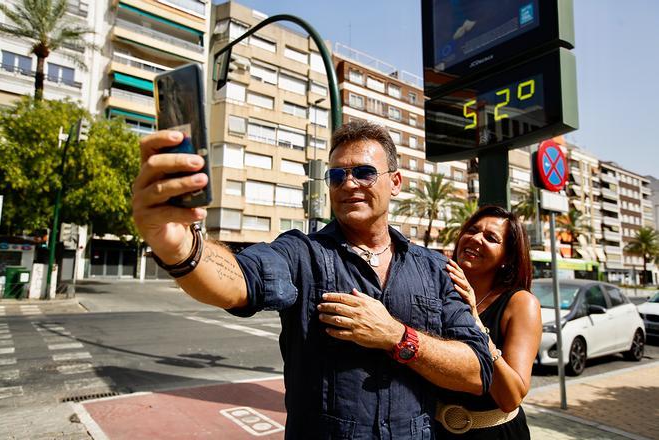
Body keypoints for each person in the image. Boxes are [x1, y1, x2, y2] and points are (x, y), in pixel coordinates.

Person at [132, 120, 493, 439]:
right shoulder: (302, 253)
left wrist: (396, 336)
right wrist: (184, 248)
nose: (348, 183)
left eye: (364, 172)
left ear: (395, 182)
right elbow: (242, 280)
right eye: (336, 175)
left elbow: (477, 372)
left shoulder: (434, 268)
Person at [435, 206, 542, 439]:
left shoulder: (521, 303)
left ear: (507, 257)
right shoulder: (437, 289)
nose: (475, 239)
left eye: (491, 238)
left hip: (495, 432)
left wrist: (474, 322)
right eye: (472, 230)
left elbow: (511, 397)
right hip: (434, 430)